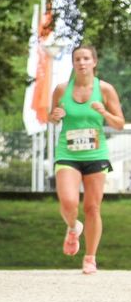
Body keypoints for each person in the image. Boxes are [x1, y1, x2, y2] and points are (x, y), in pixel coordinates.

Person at [50, 44, 124, 274]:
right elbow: (52, 116)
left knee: (92, 207)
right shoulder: (61, 90)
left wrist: (104, 112)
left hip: (96, 154)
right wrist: (54, 116)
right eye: (77, 59)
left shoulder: (105, 89)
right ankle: (73, 227)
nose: (81, 63)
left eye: (86, 58)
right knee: (68, 202)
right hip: (68, 153)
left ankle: (90, 258)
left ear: (94, 62)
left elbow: (119, 123)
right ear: (73, 63)